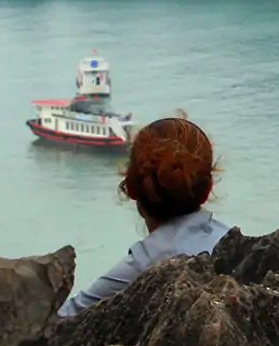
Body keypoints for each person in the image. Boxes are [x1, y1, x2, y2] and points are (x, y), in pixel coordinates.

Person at [58, 115, 229, 318]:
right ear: (208, 189)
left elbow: (68, 316)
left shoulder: (146, 262)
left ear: (130, 188)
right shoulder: (232, 242)